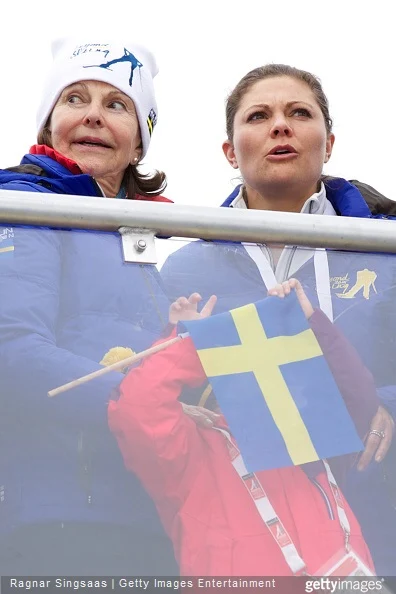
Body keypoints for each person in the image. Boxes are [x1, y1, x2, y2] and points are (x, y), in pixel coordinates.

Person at [158, 64, 396, 575]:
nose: (280, 126)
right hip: (251, 530)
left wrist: (388, 403)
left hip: (378, 499)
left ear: (329, 143)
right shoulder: (185, 266)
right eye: (259, 116)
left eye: (299, 113)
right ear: (230, 150)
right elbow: (170, 386)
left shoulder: (387, 249)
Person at [0, 37, 178, 575]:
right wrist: (151, 402)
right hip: (57, 519)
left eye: (117, 105)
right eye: (75, 99)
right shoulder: (25, 208)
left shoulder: (153, 239)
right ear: (47, 127)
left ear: (139, 143)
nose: (94, 116)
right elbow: (12, 352)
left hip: (150, 516)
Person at [109, 279, 379, 576]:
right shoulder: (190, 458)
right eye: (230, 378)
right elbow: (139, 408)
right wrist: (187, 341)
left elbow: (359, 397)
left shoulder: (310, 436)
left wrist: (311, 323)